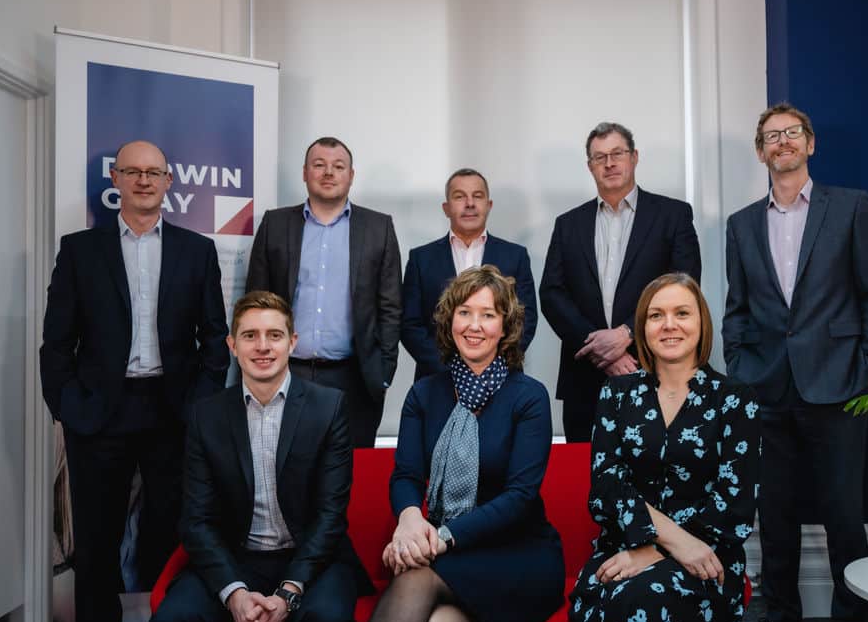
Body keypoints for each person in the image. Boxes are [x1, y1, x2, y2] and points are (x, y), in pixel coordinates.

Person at [40, 140, 230, 622]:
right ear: (116, 180)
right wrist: (66, 405)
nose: (143, 180)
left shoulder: (197, 250)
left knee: (171, 532)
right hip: (99, 413)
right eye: (132, 171)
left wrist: (201, 406)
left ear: (169, 181)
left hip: (173, 411)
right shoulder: (80, 251)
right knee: (96, 543)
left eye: (153, 172)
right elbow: (56, 341)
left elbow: (215, 338)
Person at [722, 102, 868, 622]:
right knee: (776, 519)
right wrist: (740, 371)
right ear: (761, 152)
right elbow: (737, 309)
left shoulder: (850, 207)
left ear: (810, 143)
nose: (783, 141)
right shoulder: (741, 224)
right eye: (772, 136)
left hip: (839, 384)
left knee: (844, 516)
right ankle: (781, 621)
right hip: (767, 388)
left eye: (792, 132)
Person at [149, 291, 368, 622]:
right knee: (172, 621)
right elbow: (196, 520)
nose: (262, 346)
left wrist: (288, 594)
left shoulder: (329, 408)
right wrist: (234, 594)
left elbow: (330, 516)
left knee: (326, 621)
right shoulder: (206, 416)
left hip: (311, 561)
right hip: (235, 558)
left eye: (274, 335)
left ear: (292, 343)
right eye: (250, 336)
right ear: (233, 346)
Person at [364, 265, 565, 622]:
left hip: (517, 553)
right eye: (464, 312)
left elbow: (520, 497)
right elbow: (406, 475)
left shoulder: (529, 397)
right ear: (450, 321)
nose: (474, 325)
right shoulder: (424, 394)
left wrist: (437, 539)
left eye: (488, 315)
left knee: (414, 577)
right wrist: (409, 522)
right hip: (448, 550)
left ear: (505, 328)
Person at [570, 273, 760, 622]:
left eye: (682, 313)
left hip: (706, 556)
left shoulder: (735, 399)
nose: (669, 324)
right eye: (656, 315)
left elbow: (734, 504)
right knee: (616, 598)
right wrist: (670, 541)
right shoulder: (616, 393)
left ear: (702, 323)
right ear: (643, 328)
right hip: (622, 548)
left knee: (643, 599)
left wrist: (657, 553)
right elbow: (606, 487)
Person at [541, 122, 702, 442]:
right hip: (584, 382)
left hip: (654, 369)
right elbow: (551, 294)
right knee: (585, 470)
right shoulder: (568, 224)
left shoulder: (673, 215)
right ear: (590, 166)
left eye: (617, 153)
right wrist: (601, 349)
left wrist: (627, 333)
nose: (609, 163)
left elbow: (685, 287)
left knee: (658, 467)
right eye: (600, 157)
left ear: (634, 157)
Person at [246, 136, 402, 448]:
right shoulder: (275, 224)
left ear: (351, 175)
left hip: (355, 379)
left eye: (338, 166)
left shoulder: (378, 228)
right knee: (284, 463)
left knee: (349, 468)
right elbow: (254, 303)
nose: (328, 172)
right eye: (319, 165)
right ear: (305, 173)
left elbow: (391, 307)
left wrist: (382, 372)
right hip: (286, 372)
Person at [402, 167, 537, 380]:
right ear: (446, 208)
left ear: (489, 205)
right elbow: (410, 325)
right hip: (436, 380)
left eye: (478, 196)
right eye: (459, 197)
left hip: (501, 379)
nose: (470, 203)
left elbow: (525, 319)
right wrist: (450, 371)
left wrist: (490, 367)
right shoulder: (421, 259)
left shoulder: (515, 256)